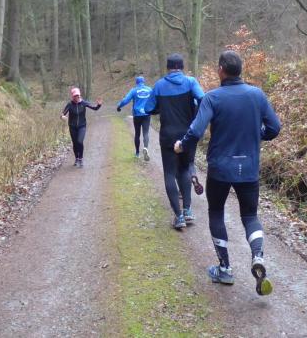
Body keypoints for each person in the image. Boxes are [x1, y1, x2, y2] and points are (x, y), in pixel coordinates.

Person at [174, 50, 281, 296]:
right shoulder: (257, 95)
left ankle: (224, 269)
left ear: (221, 70)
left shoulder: (212, 98)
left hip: (220, 169)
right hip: (249, 167)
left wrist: (181, 145)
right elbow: (275, 127)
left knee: (216, 212)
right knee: (250, 215)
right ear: (240, 70)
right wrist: (257, 135)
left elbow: (196, 131)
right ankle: (258, 256)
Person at [144, 53, 205, 230]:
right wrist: (196, 118)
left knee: (170, 174)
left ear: (168, 68)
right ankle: (187, 210)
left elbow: (148, 108)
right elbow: (203, 99)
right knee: (185, 169)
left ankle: (179, 217)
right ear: (182, 67)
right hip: (187, 134)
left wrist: (160, 108)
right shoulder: (191, 82)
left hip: (168, 136)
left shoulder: (159, 85)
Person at [61, 87, 102, 168]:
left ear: (79, 95)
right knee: (75, 143)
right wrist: (62, 117)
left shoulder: (83, 103)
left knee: (80, 141)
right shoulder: (70, 104)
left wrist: (99, 105)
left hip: (82, 126)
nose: (77, 97)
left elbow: (95, 108)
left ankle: (81, 158)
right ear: (72, 96)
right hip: (72, 127)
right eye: (75, 96)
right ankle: (76, 158)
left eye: (78, 95)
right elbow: (62, 114)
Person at [117, 76, 153, 160]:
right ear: (143, 81)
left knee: (137, 134)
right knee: (146, 133)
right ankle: (146, 148)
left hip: (137, 115)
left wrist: (119, 106)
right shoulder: (150, 90)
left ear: (136, 82)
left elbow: (125, 100)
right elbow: (155, 100)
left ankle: (137, 153)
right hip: (147, 114)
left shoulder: (134, 90)